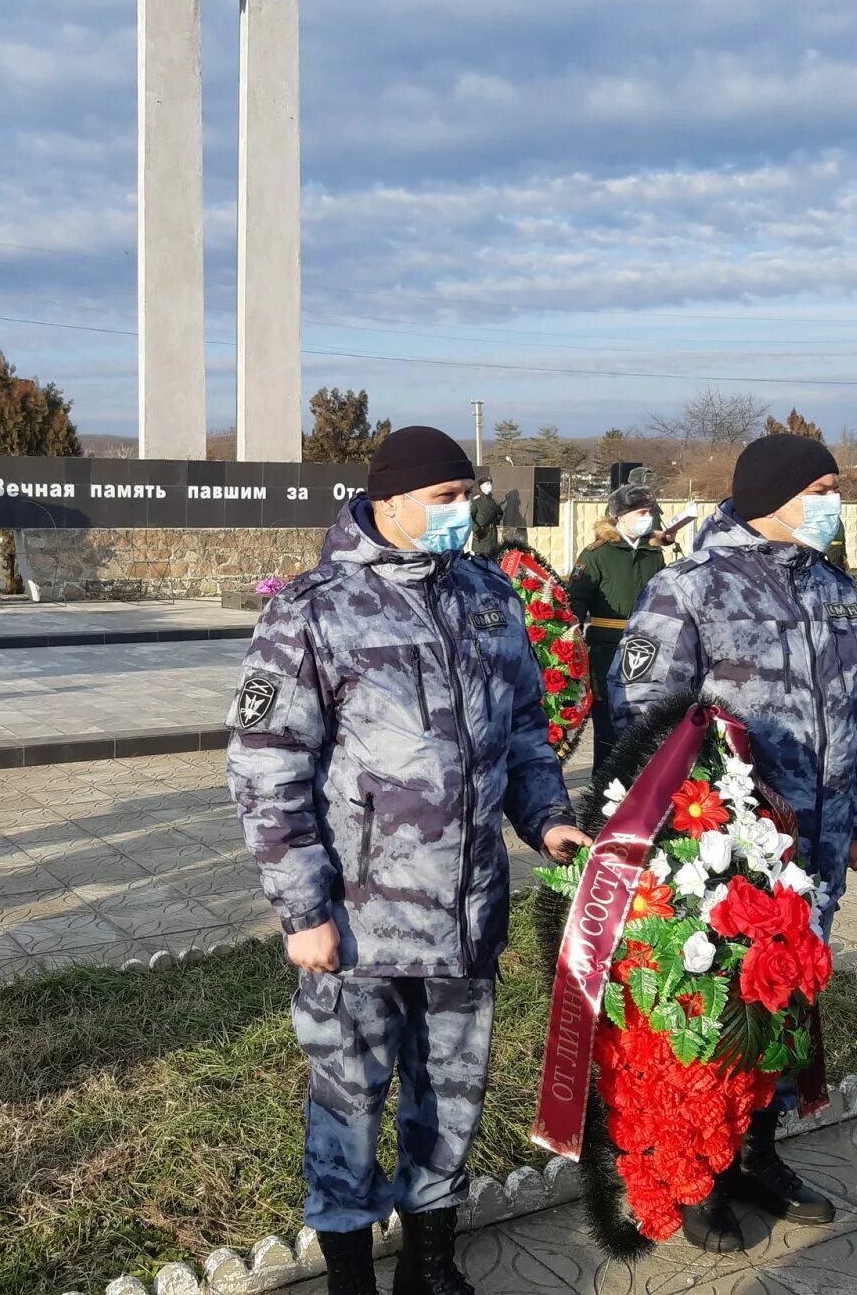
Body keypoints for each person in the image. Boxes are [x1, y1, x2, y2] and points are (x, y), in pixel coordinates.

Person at [226, 426, 589, 1295]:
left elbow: (528, 733)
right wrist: (302, 910)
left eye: (468, 496)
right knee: (350, 1103)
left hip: (465, 914)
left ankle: (432, 1259)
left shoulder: (489, 597)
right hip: (360, 921)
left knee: (451, 1097)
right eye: (446, 499)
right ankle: (350, 1272)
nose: (465, 512)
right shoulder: (313, 608)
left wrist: (548, 822)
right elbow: (266, 761)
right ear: (389, 502)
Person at [609, 433, 857, 1253]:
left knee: (788, 1005)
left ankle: (759, 1154)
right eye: (825, 487)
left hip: (823, 844)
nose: (837, 502)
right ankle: (703, 1172)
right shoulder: (691, 588)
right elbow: (645, 720)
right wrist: (698, 836)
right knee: (720, 1010)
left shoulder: (837, 588)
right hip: (729, 852)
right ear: (778, 492)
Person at [568, 484, 668, 790]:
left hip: (649, 650)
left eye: (649, 513)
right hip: (607, 652)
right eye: (641, 513)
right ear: (620, 517)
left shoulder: (653, 554)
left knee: (645, 727)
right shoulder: (597, 554)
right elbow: (575, 602)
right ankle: (602, 796)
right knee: (608, 732)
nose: (647, 519)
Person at [468, 477, 504, 560]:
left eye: (490, 484)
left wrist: (496, 518)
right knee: (480, 564)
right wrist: (477, 529)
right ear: (481, 486)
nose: (490, 486)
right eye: (487, 484)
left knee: (492, 563)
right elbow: (469, 517)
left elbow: (499, 515)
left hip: (492, 536)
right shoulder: (476, 500)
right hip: (481, 536)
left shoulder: (493, 501)